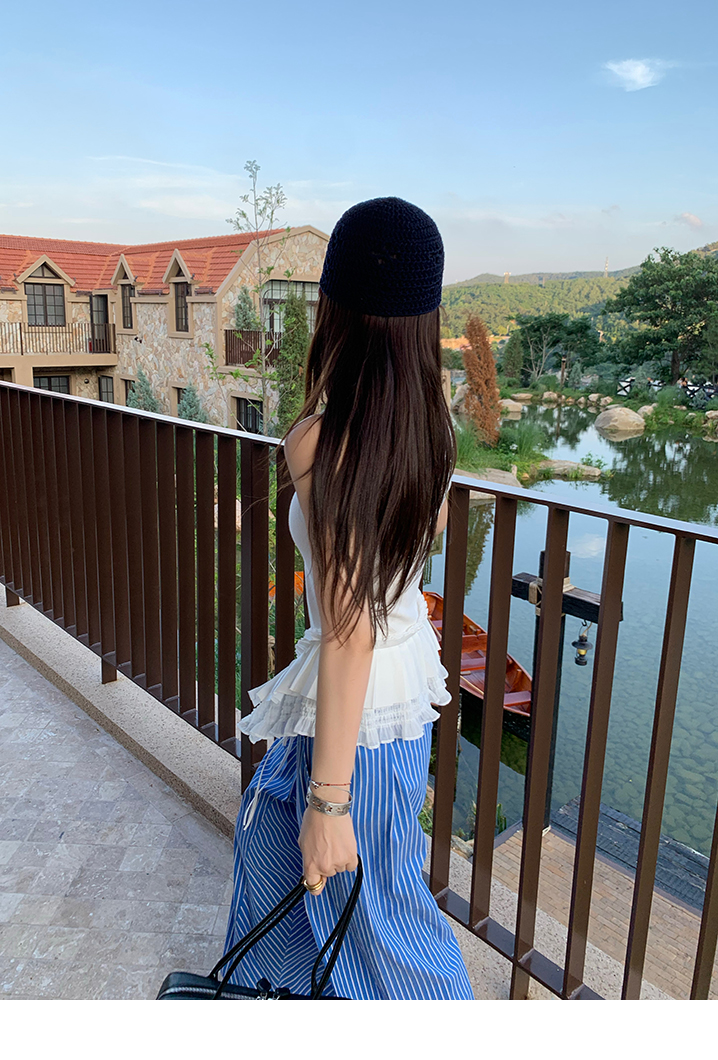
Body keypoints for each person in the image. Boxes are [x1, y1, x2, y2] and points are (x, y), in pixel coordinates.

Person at [222, 197, 474, 1000]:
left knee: (380, 921)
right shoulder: (429, 430)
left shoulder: (320, 442)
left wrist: (330, 803)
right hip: (389, 702)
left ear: (334, 309)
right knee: (290, 859)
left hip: (356, 712)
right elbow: (394, 587)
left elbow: (347, 629)